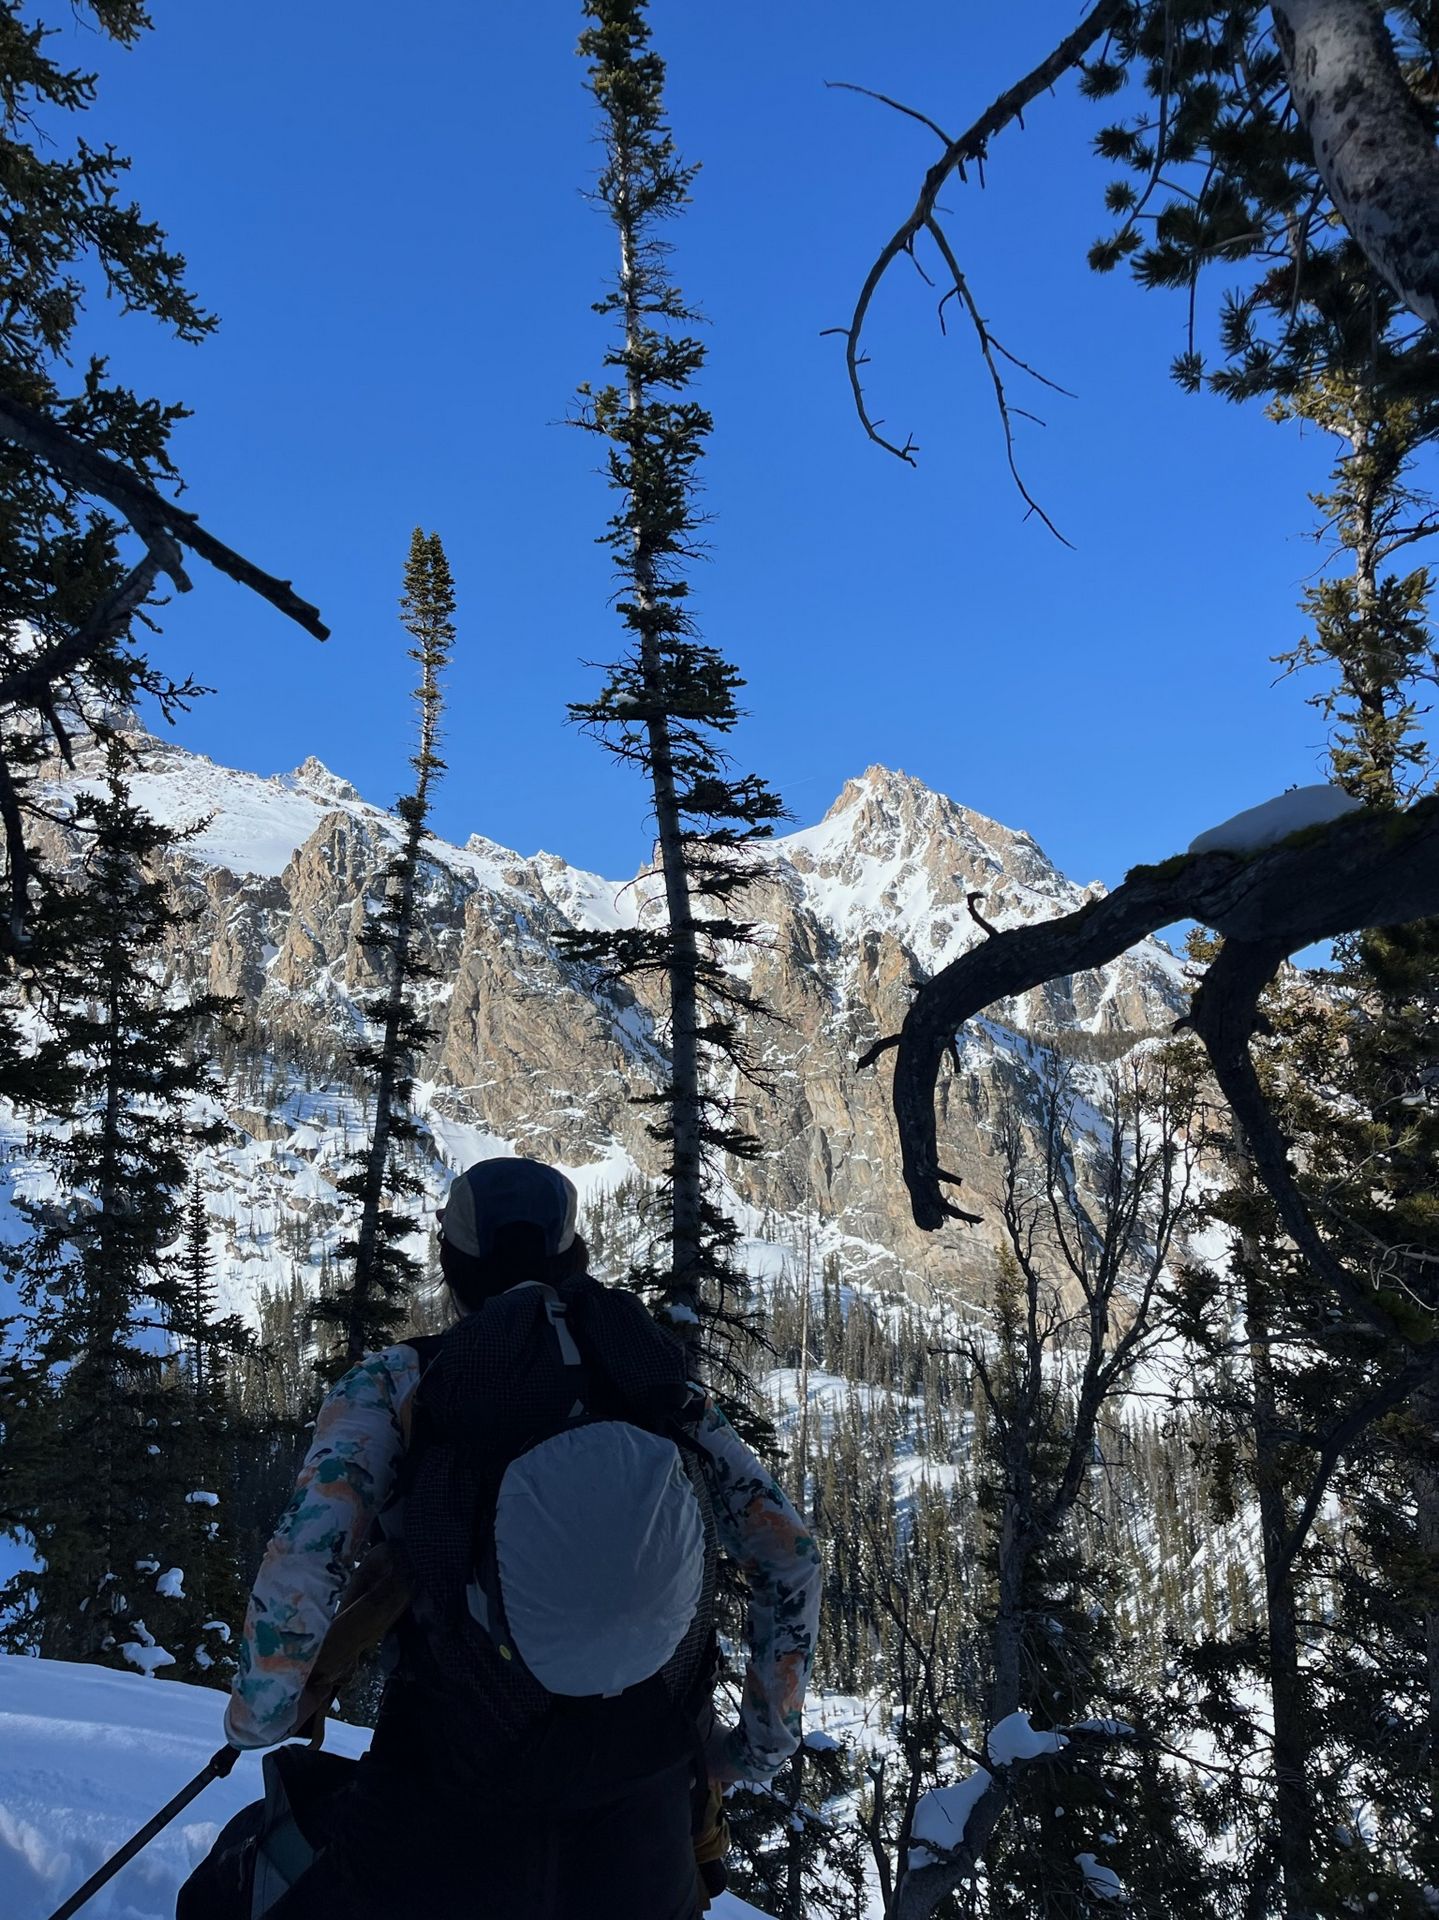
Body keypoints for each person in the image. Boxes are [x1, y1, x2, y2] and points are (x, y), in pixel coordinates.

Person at [183, 1155, 821, 1920]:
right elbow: (789, 1556)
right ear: (573, 1257)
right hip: (644, 1839)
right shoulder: (660, 1388)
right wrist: (748, 1750)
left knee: (222, 1893)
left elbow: (308, 1554)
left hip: (445, 1822)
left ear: (452, 1265)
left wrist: (263, 1714)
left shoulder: (398, 1382)